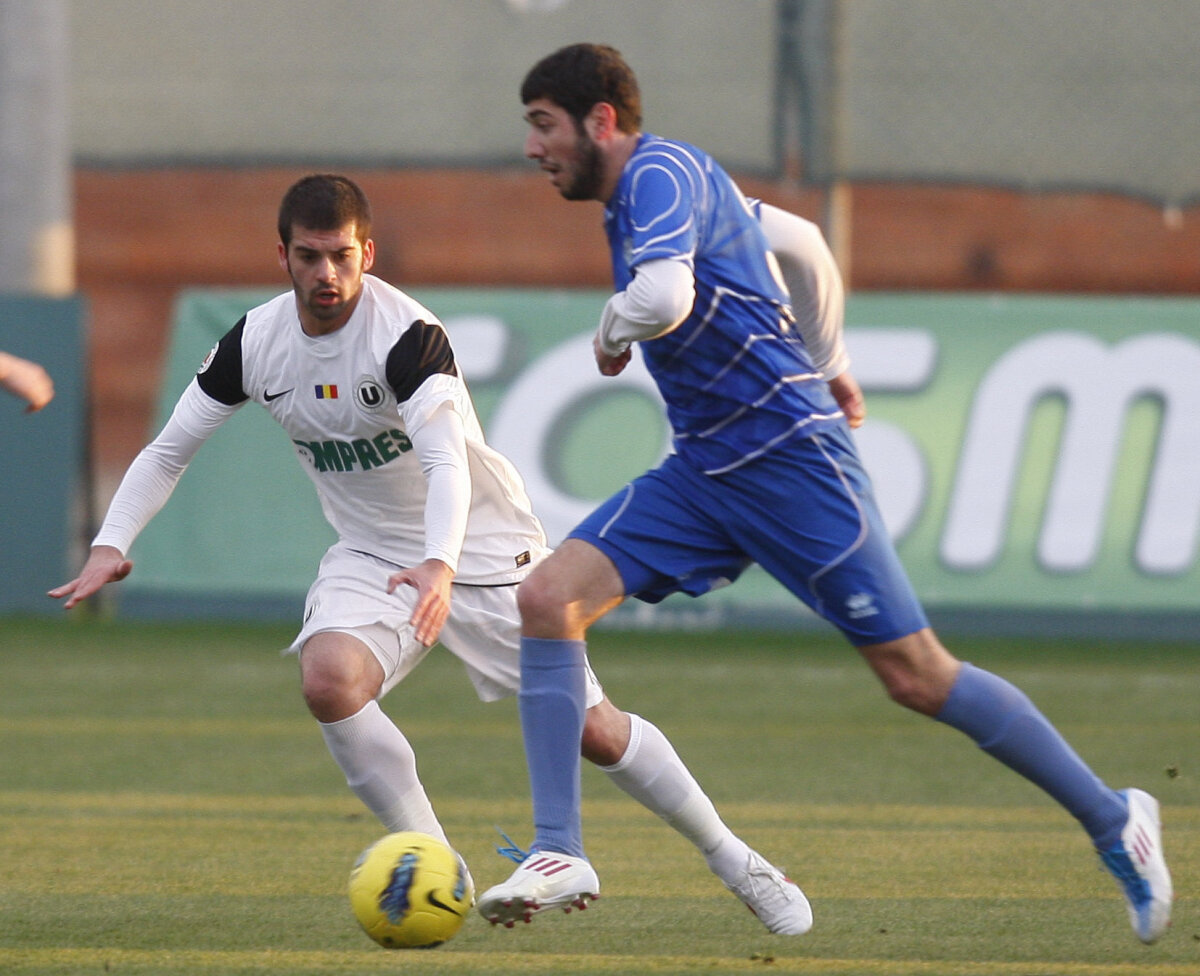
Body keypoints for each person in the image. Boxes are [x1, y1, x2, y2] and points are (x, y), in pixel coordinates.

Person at [476, 43, 1172, 944]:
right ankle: (559, 847)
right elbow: (801, 243)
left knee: (918, 677)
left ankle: (1115, 818)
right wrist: (833, 362)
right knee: (547, 597)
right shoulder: (672, 184)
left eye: (543, 125)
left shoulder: (656, 174)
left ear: (600, 120)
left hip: (791, 464)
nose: (534, 148)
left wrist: (611, 329)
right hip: (707, 472)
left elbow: (662, 296)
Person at [49, 173, 817, 934]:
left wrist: (442, 566)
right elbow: (169, 449)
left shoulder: (406, 337)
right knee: (329, 681)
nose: (326, 274)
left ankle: (731, 856)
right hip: (372, 555)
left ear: (368, 253)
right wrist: (110, 544)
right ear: (281, 255)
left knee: (594, 729)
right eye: (310, 257)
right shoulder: (254, 342)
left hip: (480, 551)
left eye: (341, 256)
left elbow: (448, 463)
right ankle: (436, 865)